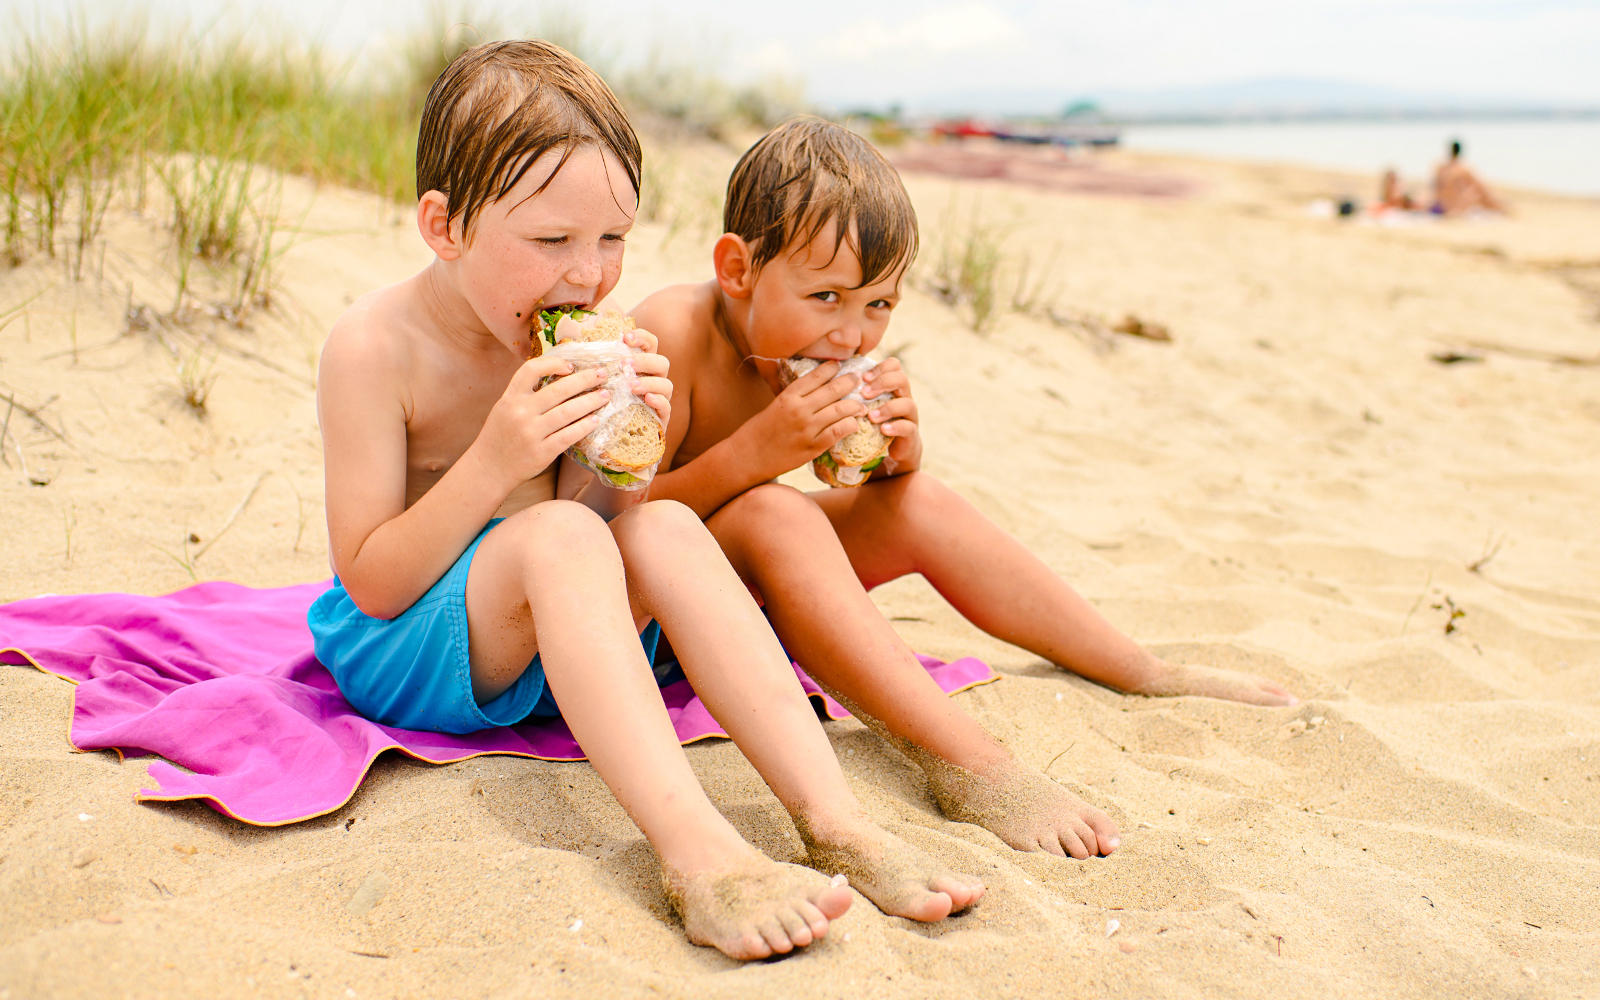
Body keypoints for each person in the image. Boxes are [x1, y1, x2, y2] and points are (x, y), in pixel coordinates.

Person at [310, 44, 983, 961]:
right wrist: (496, 457)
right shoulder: (375, 350)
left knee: (659, 519)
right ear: (444, 226)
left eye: (612, 240)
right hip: (413, 648)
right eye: (551, 241)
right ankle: (699, 854)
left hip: (550, 638)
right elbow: (374, 582)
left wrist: (619, 471)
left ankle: (837, 821)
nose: (587, 277)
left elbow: (591, 530)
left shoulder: (579, 336)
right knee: (550, 536)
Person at [631, 117, 1299, 862]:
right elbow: (619, 529)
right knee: (774, 512)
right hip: (654, 618)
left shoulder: (804, 350)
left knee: (917, 502)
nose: (853, 336)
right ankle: (972, 766)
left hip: (746, 592)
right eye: (827, 298)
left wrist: (896, 455)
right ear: (737, 270)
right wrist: (756, 453)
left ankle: (1140, 670)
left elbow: (882, 498)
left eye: (879, 305)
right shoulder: (670, 335)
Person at [1433, 140, 1504, 215]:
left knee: (1475, 192)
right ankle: (1499, 206)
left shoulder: (1441, 168)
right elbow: (1480, 187)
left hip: (1441, 203)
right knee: (1478, 193)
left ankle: (1498, 205)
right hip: (1453, 206)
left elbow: (1436, 188)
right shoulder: (1462, 169)